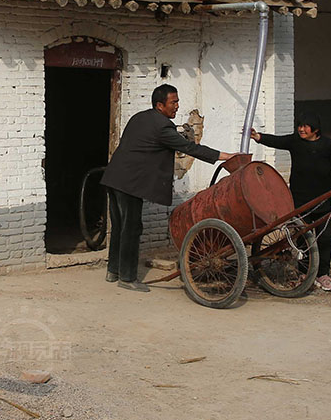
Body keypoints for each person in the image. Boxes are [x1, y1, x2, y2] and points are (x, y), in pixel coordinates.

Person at [101, 84, 235, 292]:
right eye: (173, 102)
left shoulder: (140, 117)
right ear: (160, 105)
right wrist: (223, 156)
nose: (177, 106)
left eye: (177, 101)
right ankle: (127, 278)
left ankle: (114, 271)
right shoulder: (162, 127)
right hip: (130, 183)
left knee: (120, 226)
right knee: (132, 228)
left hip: (114, 177)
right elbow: (188, 148)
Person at [250, 110, 331, 292]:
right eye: (299, 126)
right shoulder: (295, 142)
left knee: (324, 238)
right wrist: (258, 137)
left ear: (315, 129)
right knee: (302, 237)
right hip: (300, 199)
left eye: (305, 126)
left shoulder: (329, 145)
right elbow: (278, 141)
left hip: (324, 200)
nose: (301, 129)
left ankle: (323, 274)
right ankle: (305, 272)